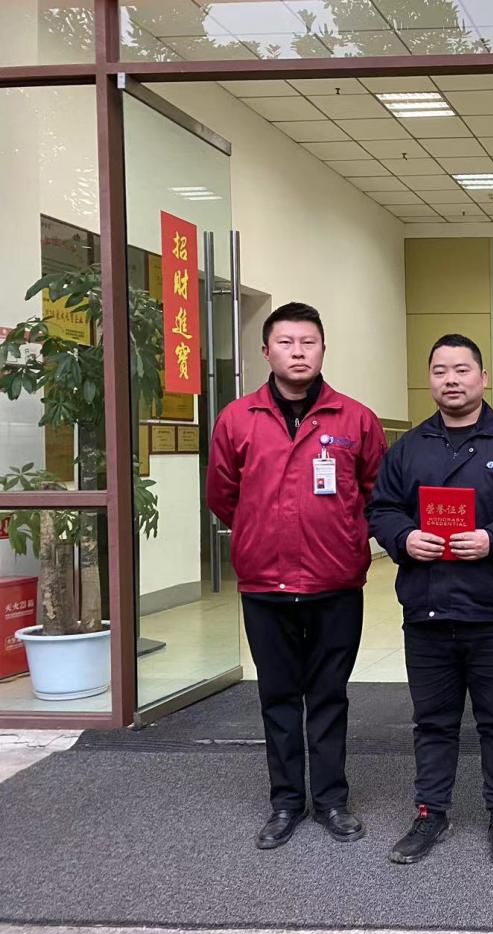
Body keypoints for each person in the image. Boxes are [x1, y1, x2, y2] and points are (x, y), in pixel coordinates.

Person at [367, 333, 493, 867]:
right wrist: (404, 537)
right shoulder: (408, 449)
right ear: (430, 380)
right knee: (433, 719)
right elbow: (381, 509)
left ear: (483, 378)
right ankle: (430, 812)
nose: (451, 380)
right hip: (426, 606)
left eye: (462, 370)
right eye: (440, 371)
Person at [207, 301, 387, 850]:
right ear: (266, 352)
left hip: (336, 582)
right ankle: (285, 802)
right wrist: (259, 533)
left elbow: (378, 492)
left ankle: (331, 799)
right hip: (266, 584)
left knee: (330, 695)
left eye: (308, 342)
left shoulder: (356, 419)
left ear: (324, 349)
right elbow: (223, 495)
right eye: (286, 343)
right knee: (278, 696)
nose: (298, 352)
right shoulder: (237, 418)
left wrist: (347, 537)